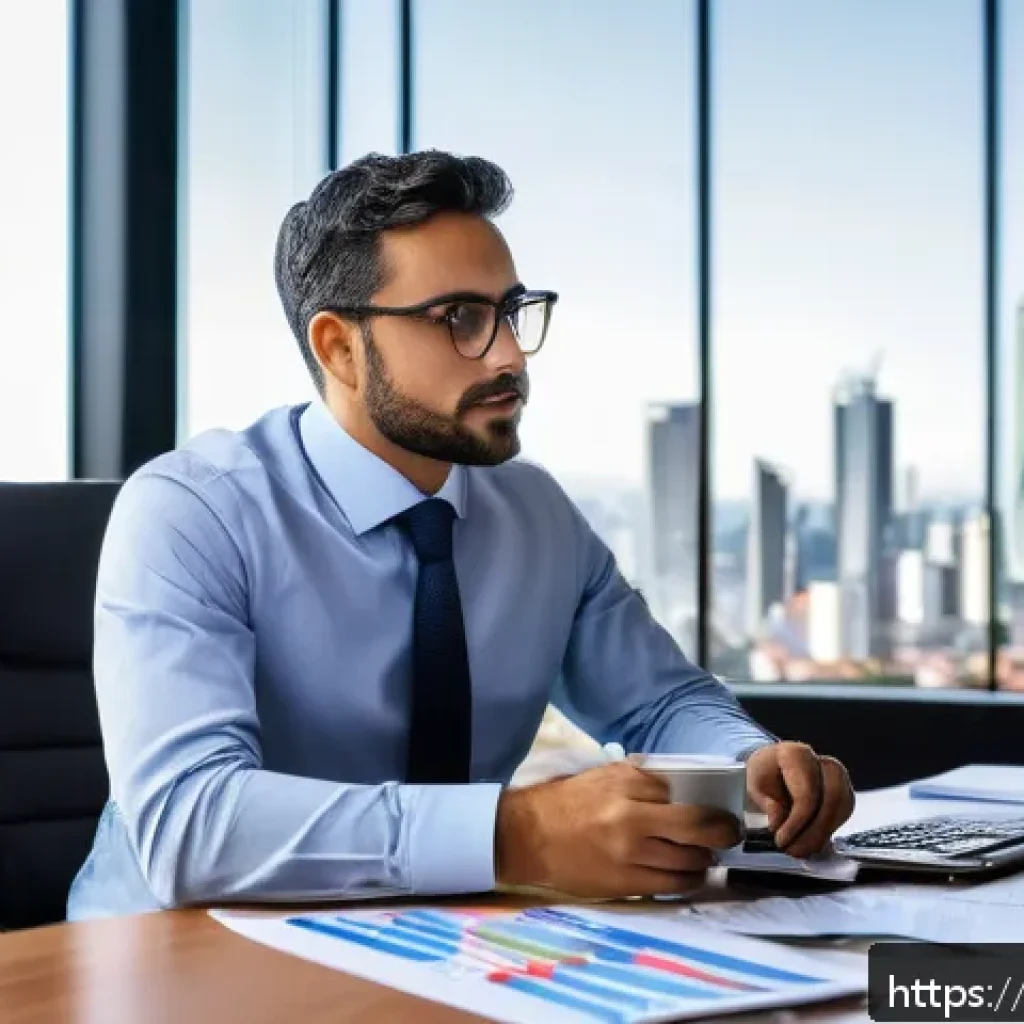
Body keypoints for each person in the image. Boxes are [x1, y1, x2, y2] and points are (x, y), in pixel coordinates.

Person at [67, 151, 854, 919]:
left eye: (510, 311)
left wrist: (747, 761)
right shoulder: (190, 512)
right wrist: (514, 834)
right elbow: (188, 825)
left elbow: (660, 702)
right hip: (167, 957)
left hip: (440, 947)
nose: (509, 354)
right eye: (460, 319)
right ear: (340, 348)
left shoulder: (535, 513)